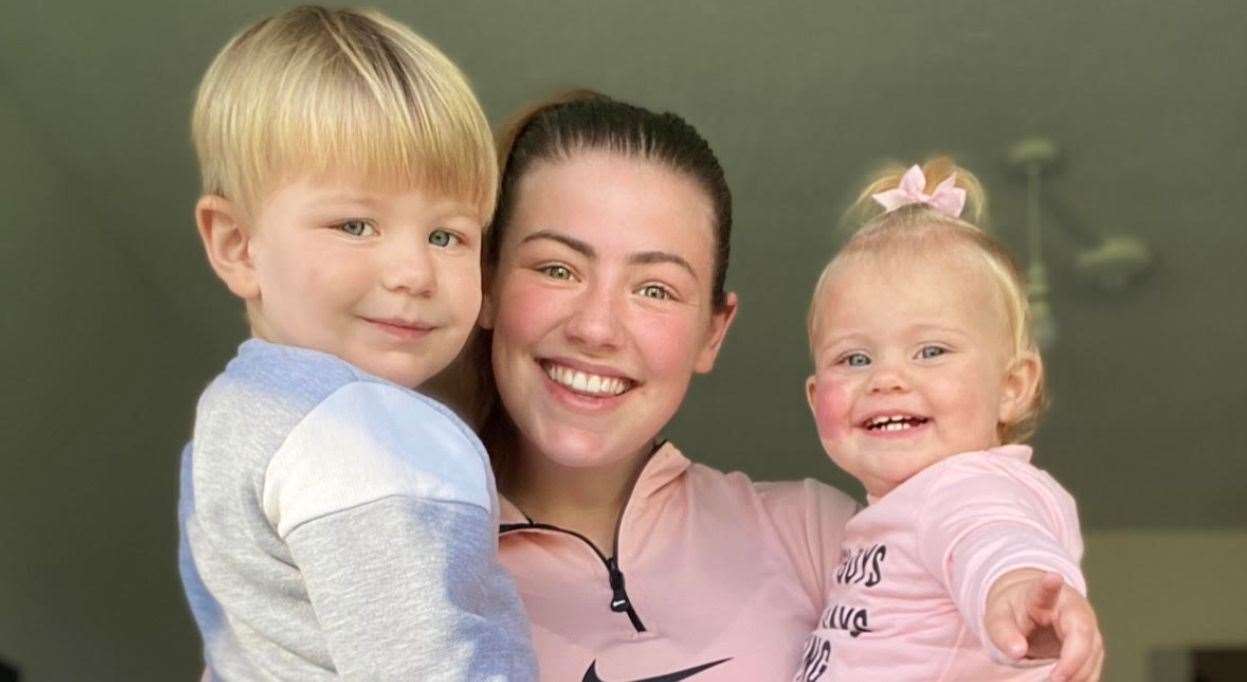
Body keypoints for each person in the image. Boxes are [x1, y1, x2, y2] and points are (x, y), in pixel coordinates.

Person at [440, 89, 857, 680]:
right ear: (486, 286)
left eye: (654, 289)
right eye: (557, 269)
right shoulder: (402, 558)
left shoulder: (820, 537)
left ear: (714, 332)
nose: (596, 327)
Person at [177, 7, 535, 679]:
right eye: (354, 224)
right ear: (236, 244)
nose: (413, 274)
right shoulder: (366, 431)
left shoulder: (231, 417)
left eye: (446, 235)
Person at [798, 160, 1103, 681]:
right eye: (854, 359)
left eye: (931, 350)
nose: (886, 379)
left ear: (1013, 386)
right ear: (813, 395)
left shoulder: (968, 486)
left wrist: (1017, 586)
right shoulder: (894, 514)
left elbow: (992, 536)